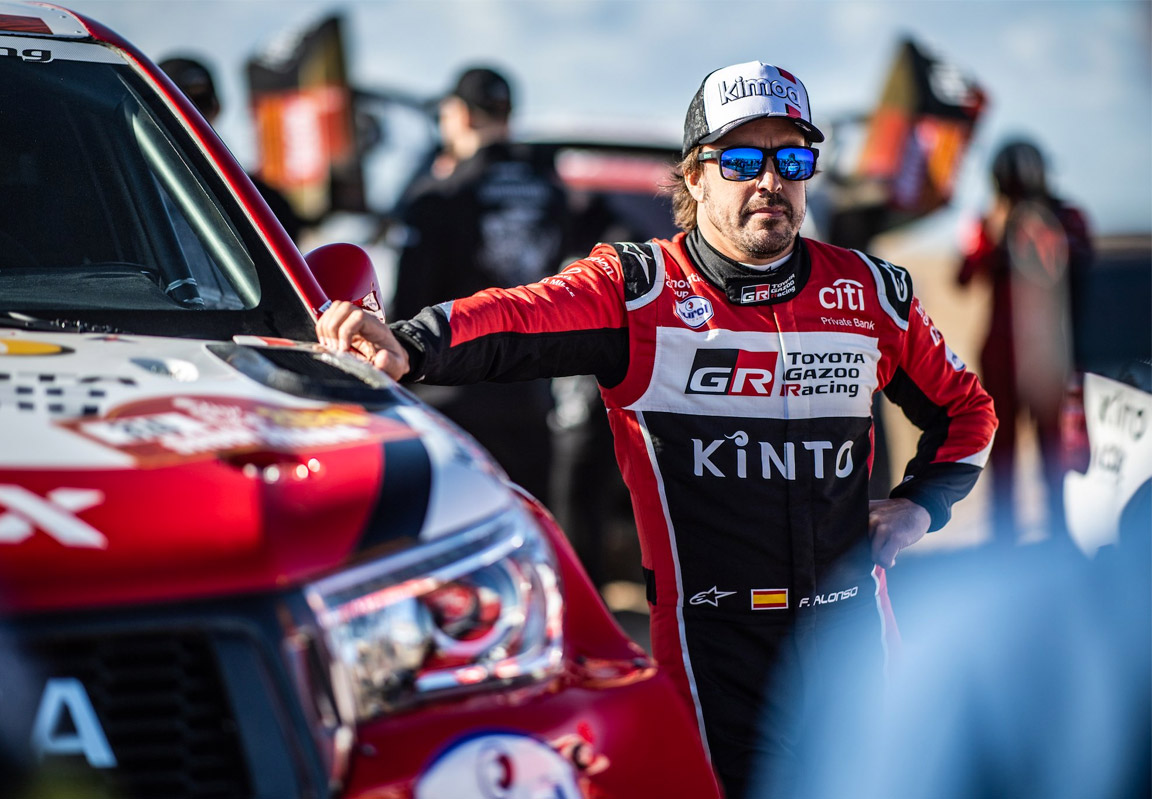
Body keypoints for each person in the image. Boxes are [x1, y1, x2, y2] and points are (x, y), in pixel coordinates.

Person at [317, 61, 997, 798]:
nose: (770, 180)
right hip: (714, 644)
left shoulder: (869, 292)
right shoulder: (639, 290)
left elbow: (967, 411)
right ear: (695, 176)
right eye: (742, 160)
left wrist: (921, 503)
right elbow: (517, 315)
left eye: (793, 160)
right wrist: (410, 341)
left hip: (853, 633)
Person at [388, 65, 571, 504]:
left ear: (462, 115)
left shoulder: (440, 195)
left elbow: (410, 301)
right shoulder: (554, 191)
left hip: (453, 398)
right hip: (531, 396)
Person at [957, 139, 1093, 543]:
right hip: (1008, 353)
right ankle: (1005, 536)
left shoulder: (1066, 218)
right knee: (1003, 448)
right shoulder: (989, 223)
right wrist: (997, 237)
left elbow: (1086, 262)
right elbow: (964, 274)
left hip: (1052, 349)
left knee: (1056, 443)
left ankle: (1060, 531)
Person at [158, 56, 308, 243]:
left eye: (202, 104)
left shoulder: (264, 203)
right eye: (177, 108)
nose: (192, 118)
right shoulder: (137, 190)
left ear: (217, 108)